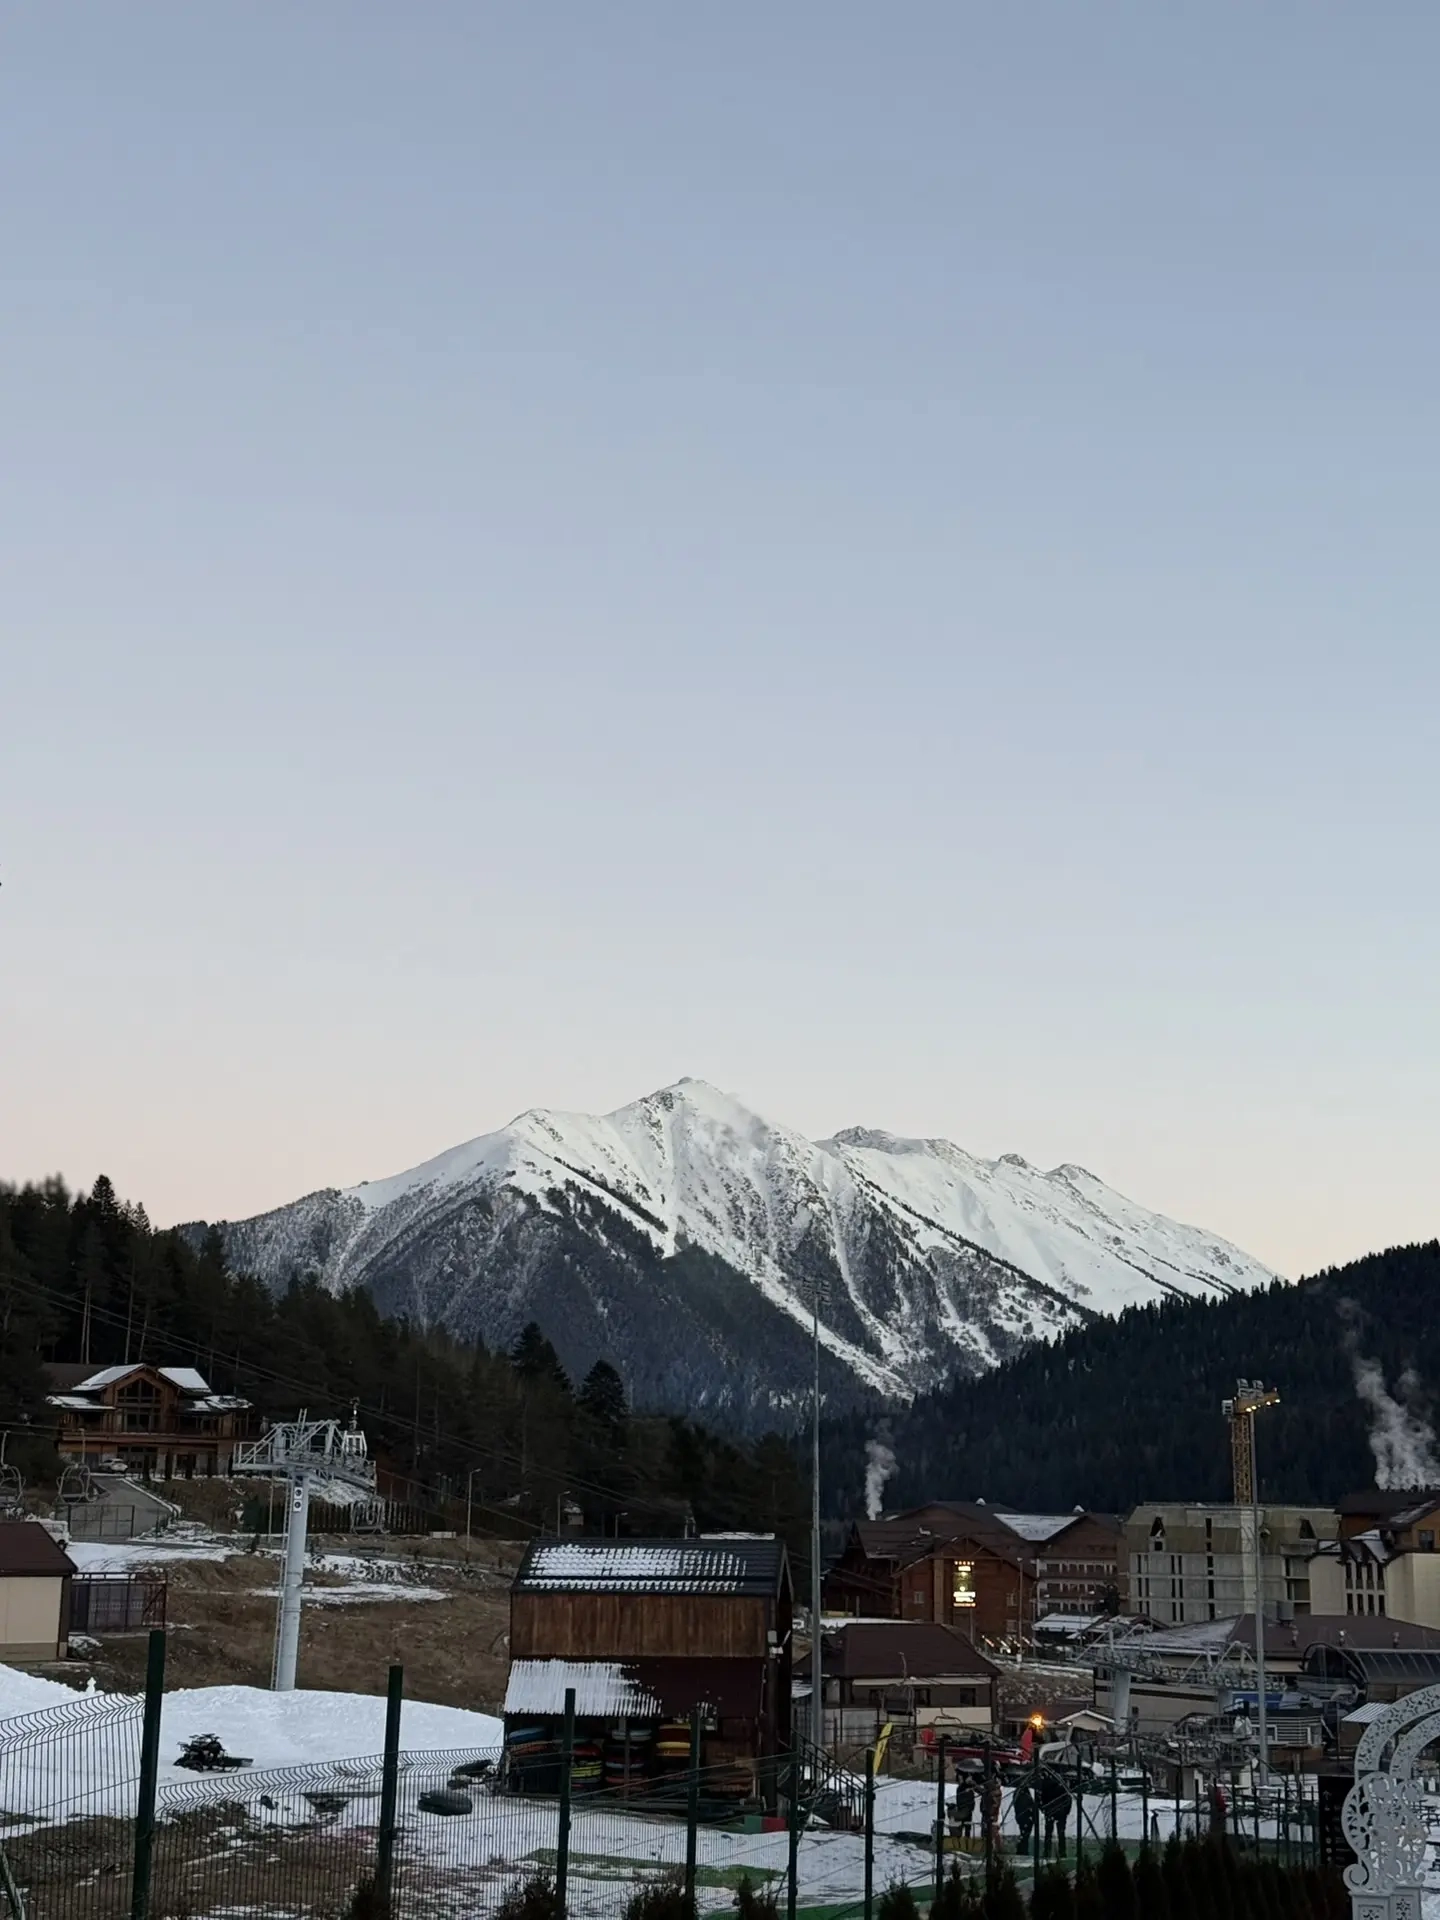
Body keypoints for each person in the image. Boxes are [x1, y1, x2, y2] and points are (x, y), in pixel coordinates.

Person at [1040, 1770, 1073, 1859]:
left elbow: (1042, 1799)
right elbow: (1068, 1800)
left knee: (1048, 1834)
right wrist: (1065, 1812)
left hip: (1050, 1812)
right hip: (1061, 1814)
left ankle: (1047, 1852)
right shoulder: (1063, 1787)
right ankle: (1062, 1853)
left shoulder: (1046, 1785)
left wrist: (1044, 1809)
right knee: (1061, 1834)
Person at [1012, 1778, 1036, 1856]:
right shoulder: (1023, 1795)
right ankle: (1023, 1850)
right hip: (1025, 1817)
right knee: (1025, 1834)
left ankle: (1022, 1849)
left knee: (1024, 1834)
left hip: (1024, 1817)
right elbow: (1024, 1806)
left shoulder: (1021, 1793)